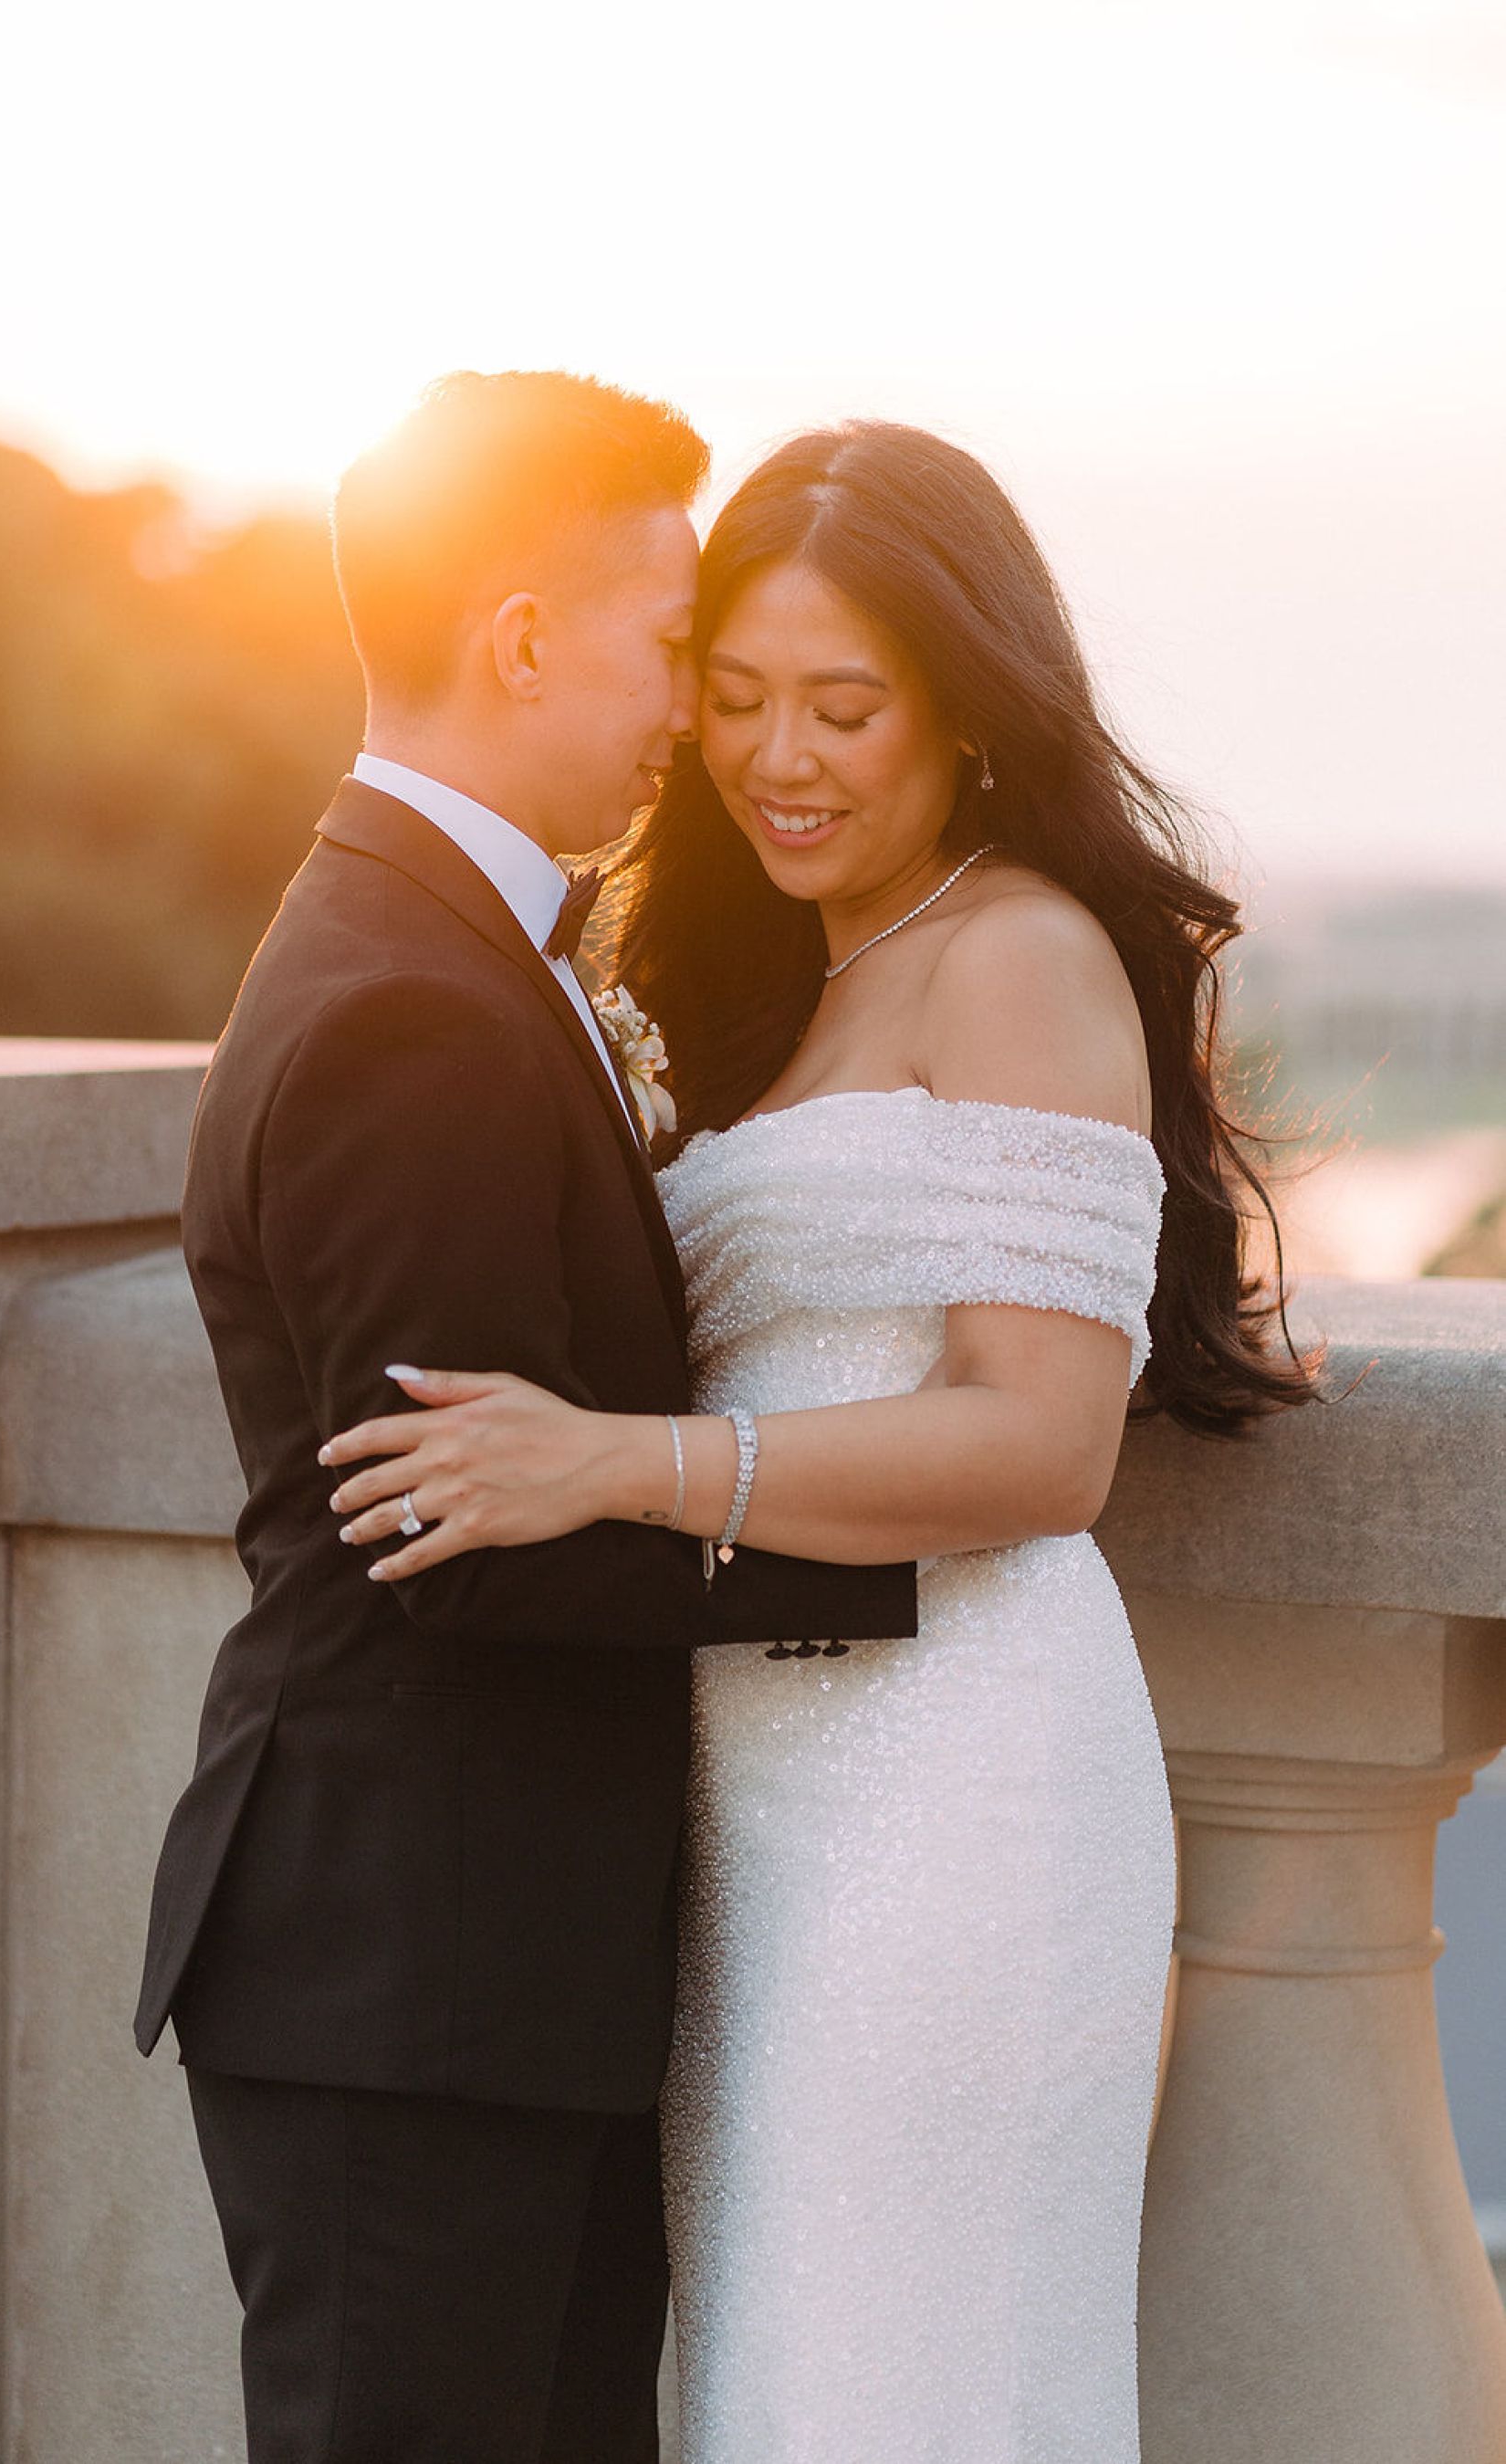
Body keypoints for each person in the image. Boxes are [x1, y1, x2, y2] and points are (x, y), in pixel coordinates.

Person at [320, 420, 1317, 2463]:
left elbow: (1045, 1451)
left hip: (962, 1787)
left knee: (899, 2388)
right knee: (783, 2391)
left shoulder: (1023, 952)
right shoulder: (777, 967)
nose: (780, 756)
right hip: (758, 1799)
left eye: (844, 708)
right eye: (737, 697)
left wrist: (615, 1463)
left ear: (963, 714)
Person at [133, 375, 919, 2464]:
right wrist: (909, 1553)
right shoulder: (411, 1005)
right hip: (415, 1991)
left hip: (486, 1983)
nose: (694, 705)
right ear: (522, 636)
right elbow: (463, 1542)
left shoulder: (453, 947)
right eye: (673, 643)